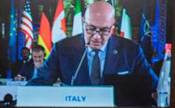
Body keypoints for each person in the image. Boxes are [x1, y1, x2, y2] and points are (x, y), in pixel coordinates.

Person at [28, 2, 157, 96]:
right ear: (83, 23)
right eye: (90, 29)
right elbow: (38, 84)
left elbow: (154, 87)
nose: (96, 37)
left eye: (104, 30)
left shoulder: (131, 51)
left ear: (112, 28)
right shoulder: (62, 49)